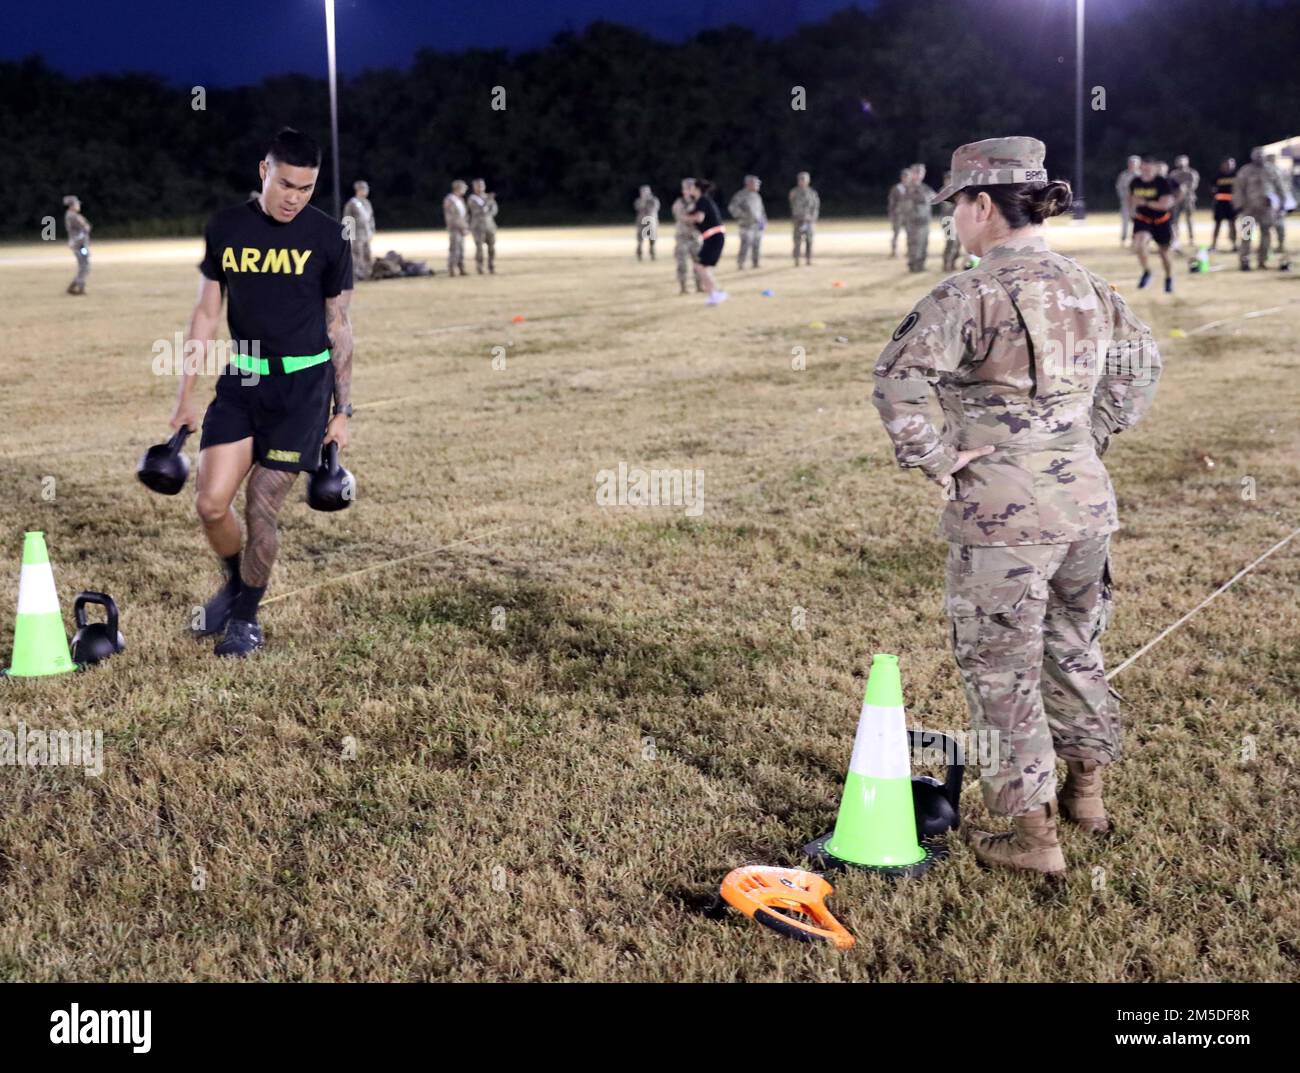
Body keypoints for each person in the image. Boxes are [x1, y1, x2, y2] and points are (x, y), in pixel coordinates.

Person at [872, 136, 1162, 877]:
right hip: (1086, 507)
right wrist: (1086, 441)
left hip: (1005, 519)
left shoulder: (966, 294)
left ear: (981, 205)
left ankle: (1033, 838)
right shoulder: (1092, 287)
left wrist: (936, 457)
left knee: (1001, 671)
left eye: (956, 208)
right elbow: (1139, 366)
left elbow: (896, 380)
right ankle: (1086, 795)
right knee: (1074, 647)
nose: (953, 224)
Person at [168, 127, 354, 657]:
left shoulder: (328, 236)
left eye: (308, 187)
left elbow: (338, 325)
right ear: (263, 172)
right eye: (287, 184)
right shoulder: (226, 227)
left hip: (303, 388)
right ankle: (234, 587)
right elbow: (207, 313)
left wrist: (343, 411)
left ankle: (246, 619)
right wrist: (185, 398)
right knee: (209, 504)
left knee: (261, 507)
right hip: (243, 380)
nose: (295, 197)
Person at [1232, 147, 1287, 271]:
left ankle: (1262, 260)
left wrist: (1282, 203)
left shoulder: (1272, 170)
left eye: (1261, 156)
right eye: (1257, 156)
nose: (1259, 158)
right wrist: (1239, 205)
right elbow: (1238, 189)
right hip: (1249, 209)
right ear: (1252, 157)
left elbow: (1280, 187)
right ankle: (1244, 260)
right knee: (1246, 235)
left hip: (1267, 209)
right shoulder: (1245, 171)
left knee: (1266, 235)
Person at [1128, 157, 1176, 292]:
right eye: (1143, 167)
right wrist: (1132, 211)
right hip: (1143, 219)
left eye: (1149, 167)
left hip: (1162, 221)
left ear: (1154, 168)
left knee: (1164, 254)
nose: (1146, 170)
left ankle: (1168, 277)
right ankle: (1147, 271)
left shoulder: (1162, 182)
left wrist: (1146, 202)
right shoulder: (1135, 182)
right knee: (1139, 245)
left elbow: (1164, 205)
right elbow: (1131, 198)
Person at [684, 178, 727, 304]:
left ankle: (716, 294)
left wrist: (685, 217)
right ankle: (715, 293)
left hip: (714, 237)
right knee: (703, 267)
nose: (689, 190)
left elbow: (699, 218)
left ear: (697, 189)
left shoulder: (702, 200)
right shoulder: (701, 201)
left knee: (700, 266)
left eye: (691, 188)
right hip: (712, 237)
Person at [671, 177, 704, 295]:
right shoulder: (679, 203)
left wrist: (697, 218)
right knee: (682, 264)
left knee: (699, 263)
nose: (690, 190)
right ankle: (683, 287)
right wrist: (695, 218)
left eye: (693, 188)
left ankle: (699, 286)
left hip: (695, 237)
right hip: (682, 237)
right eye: (688, 188)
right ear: (683, 190)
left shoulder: (699, 202)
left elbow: (703, 218)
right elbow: (682, 217)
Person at [901, 163, 936, 272]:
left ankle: (920, 265)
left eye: (922, 172)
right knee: (914, 245)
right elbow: (913, 203)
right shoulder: (909, 187)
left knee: (924, 243)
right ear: (913, 173)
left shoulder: (923, 187)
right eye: (918, 172)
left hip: (924, 220)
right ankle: (914, 266)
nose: (921, 175)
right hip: (914, 221)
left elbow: (934, 197)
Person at [728, 175, 767, 269]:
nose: (758, 185)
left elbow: (761, 210)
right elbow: (732, 208)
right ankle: (741, 263)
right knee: (745, 244)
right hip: (746, 225)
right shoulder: (741, 195)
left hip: (757, 225)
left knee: (757, 244)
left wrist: (764, 220)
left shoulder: (757, 196)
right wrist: (744, 216)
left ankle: (755, 262)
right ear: (749, 184)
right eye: (756, 183)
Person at [342, 180, 376, 281]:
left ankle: (367, 274)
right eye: (364, 189)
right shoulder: (352, 203)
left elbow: (371, 218)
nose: (366, 191)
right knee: (357, 255)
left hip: (366, 233)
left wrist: (372, 231)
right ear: (358, 190)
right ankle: (356, 275)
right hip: (356, 234)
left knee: (367, 255)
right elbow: (347, 219)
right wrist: (348, 237)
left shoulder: (367, 203)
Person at [467, 178, 499, 274]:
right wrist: (488, 204)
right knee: (479, 248)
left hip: (490, 226)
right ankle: (479, 267)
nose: (480, 187)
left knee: (492, 247)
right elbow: (478, 211)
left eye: (482, 185)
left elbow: (494, 210)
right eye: (478, 186)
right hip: (478, 227)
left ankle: (491, 265)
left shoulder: (487, 197)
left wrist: (488, 205)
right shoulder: (472, 199)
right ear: (474, 187)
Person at [789, 171, 820, 265]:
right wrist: (798, 216)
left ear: (808, 181)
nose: (802, 181)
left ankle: (808, 259)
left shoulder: (812, 193)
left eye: (804, 179)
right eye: (800, 179)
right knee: (797, 240)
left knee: (809, 240)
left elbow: (816, 206)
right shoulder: (794, 192)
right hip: (798, 220)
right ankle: (797, 259)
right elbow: (793, 205)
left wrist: (812, 218)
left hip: (809, 221)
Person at [62, 195, 91, 295]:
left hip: (78, 243)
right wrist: (86, 226)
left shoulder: (70, 215)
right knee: (84, 266)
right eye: (77, 204)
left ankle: (73, 286)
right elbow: (85, 227)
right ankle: (80, 288)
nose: (79, 205)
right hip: (80, 244)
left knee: (83, 265)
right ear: (72, 205)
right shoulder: (73, 216)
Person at [1168, 155, 1199, 246]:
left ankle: (1191, 238)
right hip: (1176, 200)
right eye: (1179, 161)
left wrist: (1182, 189)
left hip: (1188, 199)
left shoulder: (1192, 173)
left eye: (1183, 161)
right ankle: (1175, 238)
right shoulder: (1173, 174)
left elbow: (1193, 186)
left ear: (1187, 162)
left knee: (1189, 219)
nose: (1181, 163)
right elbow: (1170, 186)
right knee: (1174, 220)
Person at [1210, 157, 1238, 252]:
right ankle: (1213, 245)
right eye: (1226, 164)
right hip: (1220, 205)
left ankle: (1234, 245)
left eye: (1231, 164)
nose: (1228, 166)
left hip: (1232, 205)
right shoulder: (1217, 176)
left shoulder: (1237, 176)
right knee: (1217, 224)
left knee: (1232, 224)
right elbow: (1212, 189)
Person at [443, 180, 470, 276]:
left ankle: (461, 268)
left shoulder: (460, 200)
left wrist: (465, 226)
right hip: (455, 228)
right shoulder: (450, 199)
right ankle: (452, 269)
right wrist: (462, 227)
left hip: (461, 227)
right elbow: (453, 217)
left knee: (461, 249)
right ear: (458, 188)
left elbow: (463, 215)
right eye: (464, 188)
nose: (465, 190)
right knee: (454, 249)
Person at [938, 171, 963, 271]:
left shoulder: (955, 191)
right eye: (948, 179)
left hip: (957, 219)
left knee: (958, 243)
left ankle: (952, 262)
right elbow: (947, 207)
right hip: (947, 220)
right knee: (951, 242)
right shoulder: (944, 191)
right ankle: (946, 264)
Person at [1115, 155, 1141, 246]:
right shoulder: (1124, 175)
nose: (1132, 165)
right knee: (1125, 220)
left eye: (1135, 163)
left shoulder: (1141, 175)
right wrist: (1124, 197)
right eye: (1131, 163)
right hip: (1125, 201)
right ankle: (1123, 239)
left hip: (1137, 202)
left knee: (1137, 221)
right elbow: (1119, 187)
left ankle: (1134, 239)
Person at [887, 168, 910, 257]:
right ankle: (894, 250)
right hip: (898, 214)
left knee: (910, 233)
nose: (906, 178)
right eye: (904, 176)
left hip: (909, 214)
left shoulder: (913, 188)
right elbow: (891, 202)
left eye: (907, 176)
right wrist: (891, 213)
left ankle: (909, 251)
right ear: (901, 177)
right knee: (896, 233)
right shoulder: (896, 188)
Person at [634, 185, 660, 261]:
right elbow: (638, 207)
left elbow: (654, 209)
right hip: (641, 223)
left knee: (652, 240)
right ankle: (639, 255)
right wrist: (643, 201)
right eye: (642, 192)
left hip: (651, 222)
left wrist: (647, 201)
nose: (644, 193)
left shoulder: (654, 200)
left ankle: (652, 254)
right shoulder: (639, 201)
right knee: (640, 240)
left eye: (645, 192)